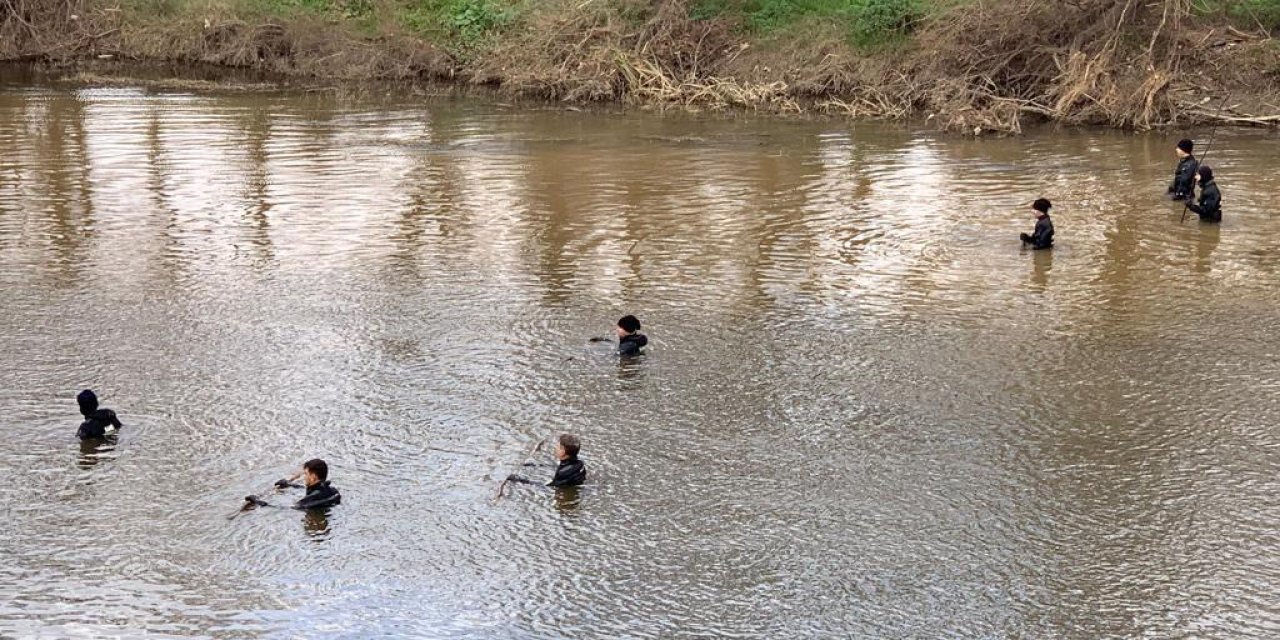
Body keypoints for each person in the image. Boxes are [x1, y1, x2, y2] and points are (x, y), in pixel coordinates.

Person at [246, 458, 341, 510]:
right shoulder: (332, 490)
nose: (304, 477)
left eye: (306, 474)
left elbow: (284, 508)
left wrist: (257, 501)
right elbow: (315, 492)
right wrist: (289, 484)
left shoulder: (308, 499)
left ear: (313, 476)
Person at [507, 434, 587, 489]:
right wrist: (535, 465)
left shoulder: (562, 473)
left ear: (563, 452)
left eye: (558, 447)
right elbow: (557, 466)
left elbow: (547, 485)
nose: (555, 448)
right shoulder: (580, 463)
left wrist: (520, 480)